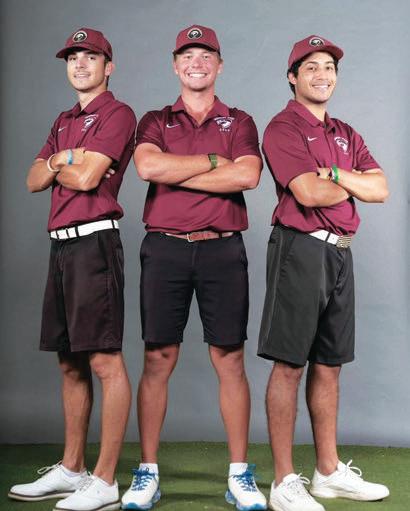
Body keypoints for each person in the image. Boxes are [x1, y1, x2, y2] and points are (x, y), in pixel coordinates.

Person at [121, 24, 267, 511]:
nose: (196, 63)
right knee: (158, 358)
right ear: (175, 65)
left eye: (206, 55)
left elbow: (247, 175)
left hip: (223, 249)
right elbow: (148, 168)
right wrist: (213, 161)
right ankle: (147, 472)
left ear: (219, 65)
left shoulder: (239, 120)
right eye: (187, 55)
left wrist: (178, 169)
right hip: (165, 249)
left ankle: (239, 474)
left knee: (230, 358)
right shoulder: (155, 119)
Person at [257, 35, 390, 511]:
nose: (322, 75)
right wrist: (348, 181)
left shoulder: (345, 132)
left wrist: (331, 173)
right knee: (290, 364)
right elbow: (307, 194)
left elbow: (380, 188)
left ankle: (328, 472)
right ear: (293, 77)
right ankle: (283, 481)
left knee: (330, 364)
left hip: (340, 252)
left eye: (329, 67)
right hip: (300, 249)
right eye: (311, 67)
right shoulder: (283, 128)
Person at [8, 28, 137, 511]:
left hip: (94, 243)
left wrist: (59, 166)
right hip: (60, 246)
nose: (80, 64)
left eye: (91, 57)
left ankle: (104, 480)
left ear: (109, 66)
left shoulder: (118, 114)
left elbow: (85, 179)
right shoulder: (64, 120)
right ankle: (72, 468)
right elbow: (32, 179)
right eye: (73, 58)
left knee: (104, 360)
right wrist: (67, 156)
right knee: (68, 361)